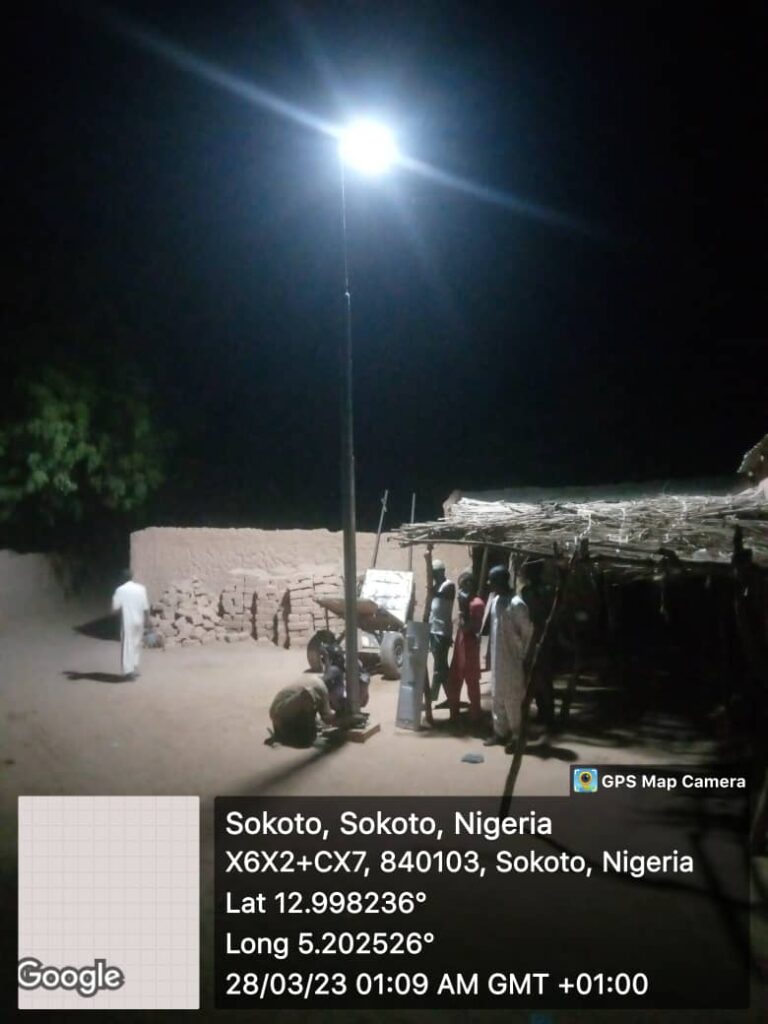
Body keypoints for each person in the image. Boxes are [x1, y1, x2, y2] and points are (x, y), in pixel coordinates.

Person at [483, 565, 533, 749]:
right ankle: (500, 733)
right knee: (497, 697)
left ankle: (516, 736)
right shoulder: (496, 601)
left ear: (502, 581)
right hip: (497, 658)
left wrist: (522, 654)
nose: (489, 585)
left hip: (512, 660)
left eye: (492, 581)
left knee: (512, 699)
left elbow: (527, 633)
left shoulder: (517, 604)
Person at [446, 571, 485, 729]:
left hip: (470, 646)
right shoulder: (466, 602)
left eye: (464, 585)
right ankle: (454, 715)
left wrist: (463, 609)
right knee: (454, 681)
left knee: (472, 683)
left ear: (470, 585)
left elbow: (471, 628)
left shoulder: (476, 604)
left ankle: (475, 717)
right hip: (460, 645)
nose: (462, 590)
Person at [268, 678, 336, 747]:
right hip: (281, 714)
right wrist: (337, 717)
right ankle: (302, 736)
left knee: (313, 714)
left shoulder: (313, 680)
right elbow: (327, 717)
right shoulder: (322, 688)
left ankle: (283, 734)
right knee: (308, 697)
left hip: (277, 712)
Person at [111, 570, 150, 680]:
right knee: (136, 643)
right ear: (132, 576)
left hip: (127, 621)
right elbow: (146, 607)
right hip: (139, 620)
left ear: (122, 578)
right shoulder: (141, 589)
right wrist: (148, 620)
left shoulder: (120, 590)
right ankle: (135, 666)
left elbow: (114, 609)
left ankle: (128, 671)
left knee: (128, 645)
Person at [427, 555, 455, 702]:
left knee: (439, 666)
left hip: (442, 632)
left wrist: (431, 591)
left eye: (434, 573)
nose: (433, 576)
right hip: (433, 630)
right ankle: (451, 698)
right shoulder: (435, 588)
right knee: (441, 666)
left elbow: (443, 595)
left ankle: (433, 696)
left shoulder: (448, 585)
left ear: (441, 572)